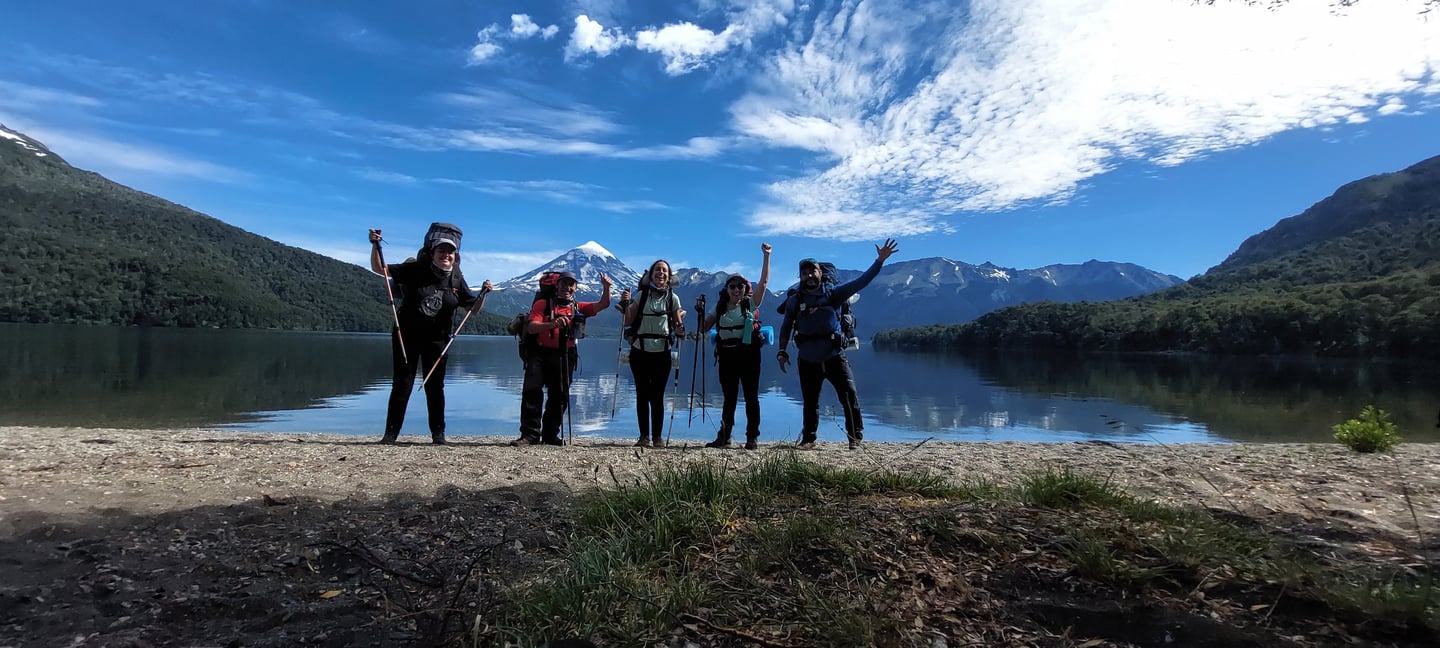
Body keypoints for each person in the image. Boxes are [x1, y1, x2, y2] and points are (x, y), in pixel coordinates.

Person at [368, 225, 491, 445]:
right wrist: (375, 245)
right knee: (402, 384)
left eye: (450, 252)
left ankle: (438, 435)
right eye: (441, 251)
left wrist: (483, 294)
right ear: (432, 252)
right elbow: (381, 269)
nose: (446, 255)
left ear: (455, 256)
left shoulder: (455, 279)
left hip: (438, 340)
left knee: (435, 387)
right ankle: (390, 435)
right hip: (407, 336)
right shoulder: (415, 270)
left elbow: (472, 309)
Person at [776, 238, 900, 449]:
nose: (809, 276)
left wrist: (879, 260)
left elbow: (862, 282)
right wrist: (781, 351)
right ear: (800, 277)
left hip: (834, 356)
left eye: (812, 271)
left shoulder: (834, 294)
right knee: (810, 401)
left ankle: (855, 438)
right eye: (804, 273)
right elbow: (786, 327)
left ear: (820, 273)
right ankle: (808, 440)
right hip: (806, 359)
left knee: (849, 396)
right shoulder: (794, 301)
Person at [512, 271, 613, 446]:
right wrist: (553, 324)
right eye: (564, 283)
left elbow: (603, 304)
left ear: (575, 288)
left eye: (571, 284)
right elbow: (532, 328)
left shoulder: (578, 307)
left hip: (565, 355)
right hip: (540, 354)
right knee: (532, 392)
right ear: (557, 285)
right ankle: (530, 435)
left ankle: (550, 434)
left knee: (559, 396)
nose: (567, 287)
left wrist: (606, 287)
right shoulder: (543, 304)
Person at [695, 243, 772, 450]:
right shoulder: (719, 307)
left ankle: (752, 437)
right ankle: (725, 436)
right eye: (733, 286)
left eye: (740, 286)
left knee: (751, 397)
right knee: (729, 398)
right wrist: (699, 312)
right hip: (727, 356)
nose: (737, 290)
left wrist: (766, 256)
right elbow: (704, 328)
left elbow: (764, 283)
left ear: (746, 289)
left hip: (749, 355)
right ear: (727, 289)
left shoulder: (750, 304)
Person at [621, 260, 687, 448]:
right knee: (642, 394)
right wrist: (625, 304)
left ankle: (657, 437)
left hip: (662, 352)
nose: (661, 273)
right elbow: (627, 321)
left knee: (657, 395)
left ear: (669, 276)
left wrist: (681, 330)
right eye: (657, 270)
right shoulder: (641, 296)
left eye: (664, 270)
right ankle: (644, 437)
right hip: (639, 351)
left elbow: (676, 324)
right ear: (651, 275)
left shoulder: (673, 299)